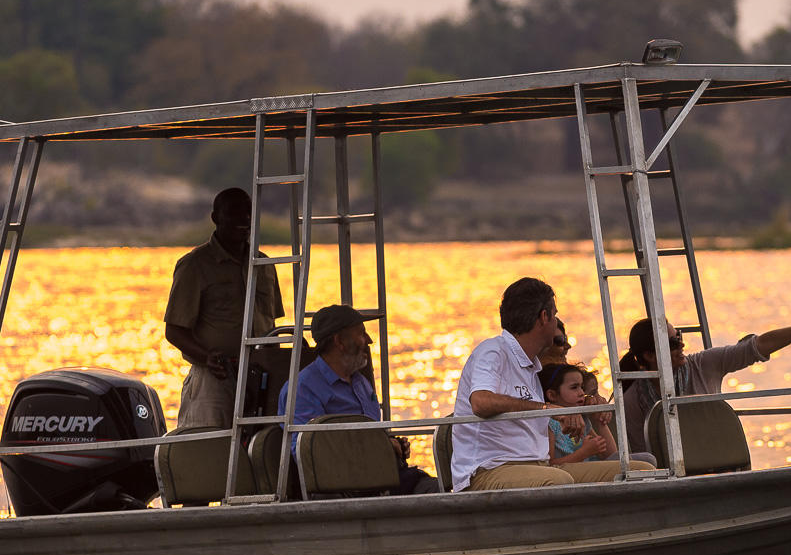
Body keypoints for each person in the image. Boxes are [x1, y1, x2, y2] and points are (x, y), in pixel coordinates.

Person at [450, 277, 653, 491]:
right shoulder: (493, 351)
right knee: (558, 481)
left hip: (540, 466)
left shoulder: (531, 365)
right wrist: (547, 409)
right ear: (544, 317)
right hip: (488, 471)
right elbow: (481, 402)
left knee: (640, 470)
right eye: (555, 315)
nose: (556, 321)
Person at [620, 307, 791, 453]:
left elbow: (759, 346)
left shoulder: (704, 364)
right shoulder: (633, 401)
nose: (681, 345)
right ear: (649, 355)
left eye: (679, 337)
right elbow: (647, 457)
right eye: (672, 343)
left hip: (718, 460)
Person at [164, 188, 281, 431]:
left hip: (261, 378)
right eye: (234, 212)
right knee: (210, 451)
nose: (244, 219)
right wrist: (207, 357)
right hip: (214, 380)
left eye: (248, 213)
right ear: (215, 218)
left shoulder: (265, 265)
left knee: (258, 451)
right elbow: (174, 331)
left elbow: (272, 325)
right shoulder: (194, 265)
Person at [290, 303, 438, 495]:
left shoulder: (360, 382)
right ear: (339, 341)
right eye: (361, 333)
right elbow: (308, 452)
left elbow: (369, 434)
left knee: (443, 488)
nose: (369, 340)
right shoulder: (303, 388)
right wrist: (377, 447)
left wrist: (391, 445)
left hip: (384, 479)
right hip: (347, 490)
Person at [541, 363, 619, 467]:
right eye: (574, 387)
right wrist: (583, 453)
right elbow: (549, 465)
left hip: (591, 470)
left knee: (645, 458)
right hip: (572, 476)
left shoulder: (583, 418)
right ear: (552, 395)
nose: (582, 392)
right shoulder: (549, 423)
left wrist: (599, 420)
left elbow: (611, 455)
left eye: (582, 387)